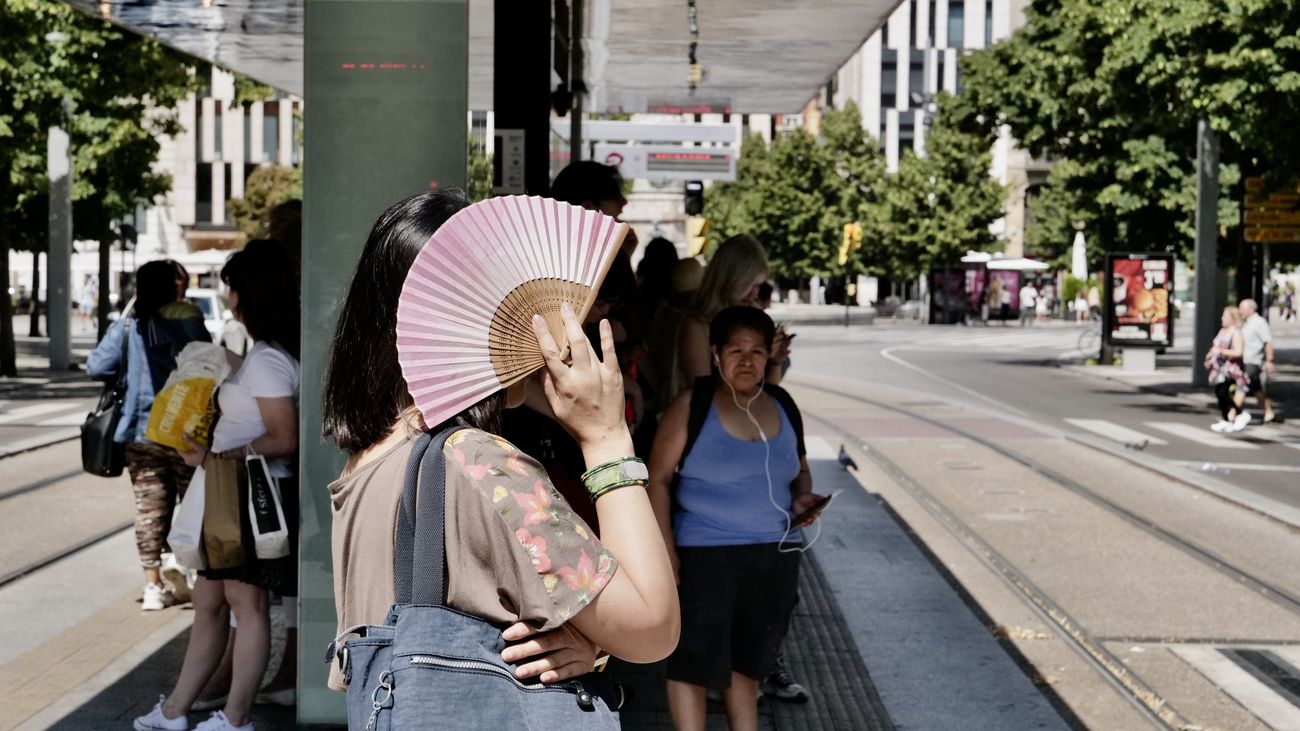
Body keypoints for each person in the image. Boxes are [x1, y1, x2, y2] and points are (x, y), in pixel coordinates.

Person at [319, 191, 678, 698]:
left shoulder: (372, 455)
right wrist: (607, 438)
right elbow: (653, 629)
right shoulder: (481, 464)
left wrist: (586, 637)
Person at [133, 242, 301, 731]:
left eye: (233, 289)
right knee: (209, 603)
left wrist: (210, 456)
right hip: (229, 496)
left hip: (244, 497)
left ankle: (236, 717)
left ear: (250, 295)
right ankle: (175, 711)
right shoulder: (265, 354)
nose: (229, 299)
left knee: (245, 607)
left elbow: (282, 436)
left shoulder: (269, 359)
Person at [649, 306, 827, 731]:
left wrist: (803, 499)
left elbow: (800, 469)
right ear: (715, 354)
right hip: (704, 558)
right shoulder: (692, 406)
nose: (747, 361)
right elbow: (656, 479)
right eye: (736, 350)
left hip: (775, 556)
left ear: (770, 357)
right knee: (691, 666)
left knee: (748, 667)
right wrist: (666, 552)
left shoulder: (782, 404)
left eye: (757, 351)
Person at [87, 260, 211, 613]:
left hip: (140, 433)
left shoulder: (128, 325)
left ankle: (153, 585)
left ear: (138, 289)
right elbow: (210, 361)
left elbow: (96, 366)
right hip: (187, 433)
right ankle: (196, 575)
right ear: (174, 287)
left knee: (149, 509)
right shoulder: (187, 319)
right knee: (195, 507)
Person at [675, 235, 788, 398]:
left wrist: (774, 361)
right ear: (732, 278)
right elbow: (702, 397)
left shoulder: (753, 316)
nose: (754, 294)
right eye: (750, 284)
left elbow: (766, 397)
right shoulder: (697, 325)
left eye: (759, 286)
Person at [1204, 306, 1250, 433]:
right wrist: (1210, 359)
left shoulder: (1236, 332)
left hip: (1232, 369)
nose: (1222, 318)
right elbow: (1215, 348)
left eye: (1225, 316)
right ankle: (1226, 420)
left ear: (1233, 318)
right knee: (1219, 392)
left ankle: (1240, 414)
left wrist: (1221, 351)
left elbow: (1239, 352)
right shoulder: (1222, 331)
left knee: (1223, 392)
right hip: (1220, 368)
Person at [1238, 298, 1276, 425]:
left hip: (1253, 361)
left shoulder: (1259, 322)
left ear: (1251, 309)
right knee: (1257, 389)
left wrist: (1269, 360)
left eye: (1242, 308)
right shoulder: (1246, 323)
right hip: (1245, 361)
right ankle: (1269, 412)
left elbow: (1268, 341)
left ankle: (1232, 414)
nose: (1240, 311)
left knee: (1241, 387)